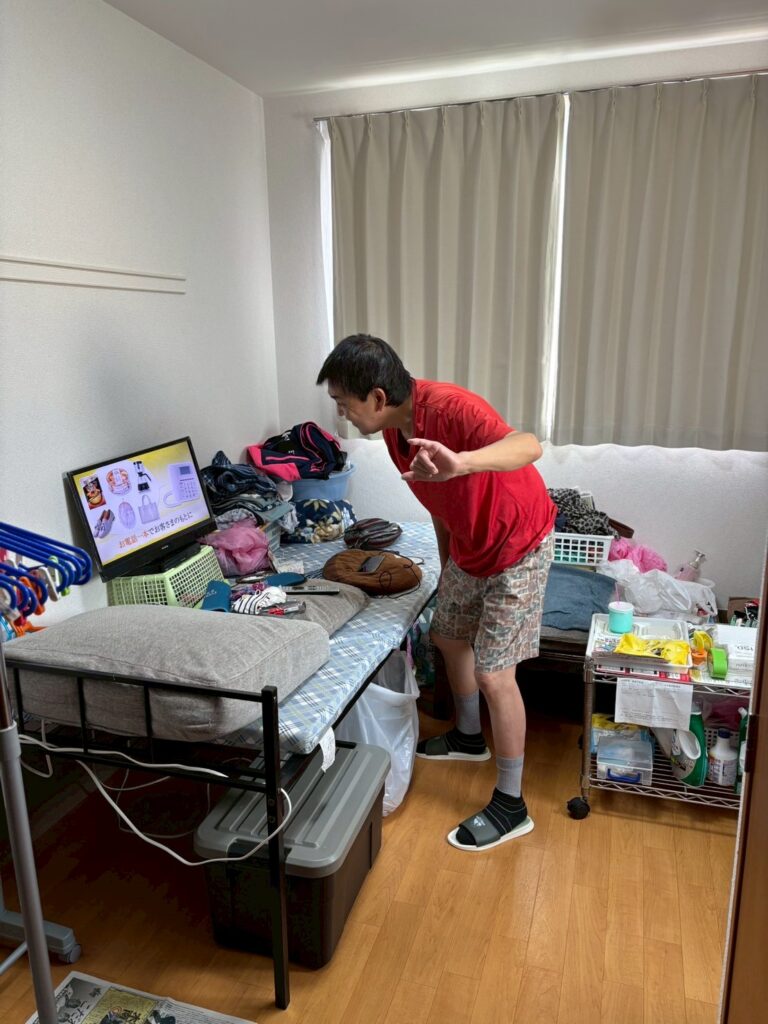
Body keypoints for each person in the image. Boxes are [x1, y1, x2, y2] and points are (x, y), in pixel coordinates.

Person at [316, 334, 556, 851]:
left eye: (344, 403)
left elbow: (529, 446)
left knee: (495, 675)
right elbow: (439, 504)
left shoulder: (451, 408)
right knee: (446, 635)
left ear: (378, 397)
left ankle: (512, 805)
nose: (342, 415)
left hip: (519, 543)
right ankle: (469, 738)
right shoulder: (394, 432)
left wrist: (463, 462)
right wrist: (450, 570)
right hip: (469, 546)